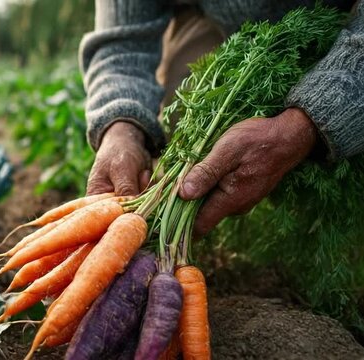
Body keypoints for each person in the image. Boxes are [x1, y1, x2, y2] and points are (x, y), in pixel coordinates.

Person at [80, 0, 363, 237]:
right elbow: (122, 41)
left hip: (342, 31)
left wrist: (306, 125)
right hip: (228, 31)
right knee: (186, 99)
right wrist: (120, 127)